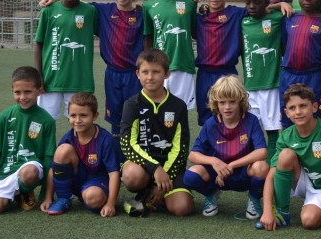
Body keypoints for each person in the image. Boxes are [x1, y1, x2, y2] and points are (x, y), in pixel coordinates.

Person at [40, 0, 144, 140]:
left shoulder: (142, 13)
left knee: (136, 115)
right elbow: (74, 2)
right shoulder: (103, 10)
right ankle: (116, 151)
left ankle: (136, 150)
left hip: (134, 74)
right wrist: (56, 0)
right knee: (115, 116)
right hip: (112, 74)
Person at [256, 84, 321, 231]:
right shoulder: (285, 136)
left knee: (309, 221)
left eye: (303, 106)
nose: (298, 112)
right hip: (298, 180)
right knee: (286, 155)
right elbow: (271, 176)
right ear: (287, 113)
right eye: (292, 108)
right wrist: (267, 211)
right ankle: (282, 212)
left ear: (314, 107)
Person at [120, 49, 192, 217]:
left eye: (156, 72)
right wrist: (155, 169)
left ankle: (149, 197)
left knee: (182, 208)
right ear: (137, 74)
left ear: (167, 74)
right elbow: (127, 144)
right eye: (145, 72)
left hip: (171, 167)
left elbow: (181, 148)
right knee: (132, 176)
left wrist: (165, 175)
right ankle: (145, 193)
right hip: (142, 167)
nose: (150, 77)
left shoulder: (178, 106)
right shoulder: (132, 104)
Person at [184, 76, 268, 220]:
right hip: (217, 176)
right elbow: (193, 155)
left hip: (242, 174)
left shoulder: (251, 120)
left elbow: (262, 152)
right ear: (216, 103)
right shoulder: (211, 124)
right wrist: (214, 162)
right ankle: (211, 194)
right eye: (222, 102)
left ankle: (254, 198)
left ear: (240, 100)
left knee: (261, 167)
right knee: (191, 176)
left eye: (232, 102)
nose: (227, 107)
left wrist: (231, 165)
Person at [0, 66, 56, 214]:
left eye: (28, 92)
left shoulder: (47, 120)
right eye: (18, 92)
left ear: (39, 91)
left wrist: (45, 194)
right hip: (7, 170)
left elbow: (49, 156)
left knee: (29, 172)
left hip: (31, 166)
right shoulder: (4, 116)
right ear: (12, 90)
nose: (22, 97)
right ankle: (16, 195)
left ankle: (25, 190)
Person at [40, 92, 122, 216]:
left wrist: (111, 203)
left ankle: (91, 197)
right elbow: (54, 169)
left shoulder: (106, 139)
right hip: (76, 179)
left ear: (95, 116)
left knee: (93, 199)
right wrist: (48, 198)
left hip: (97, 180)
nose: (77, 120)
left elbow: (114, 173)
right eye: (73, 115)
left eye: (83, 115)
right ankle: (64, 199)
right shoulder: (68, 137)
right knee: (62, 150)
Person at [35, 0, 98, 120]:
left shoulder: (90, 11)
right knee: (44, 122)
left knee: (79, 123)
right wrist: (38, 75)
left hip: (79, 81)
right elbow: (39, 44)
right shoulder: (48, 11)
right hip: (51, 80)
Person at [280, 0, 321, 128]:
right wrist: (280, 3)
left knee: (313, 122)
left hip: (313, 78)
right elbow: (284, 47)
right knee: (288, 121)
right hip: (288, 76)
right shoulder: (289, 18)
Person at [143, 0, 197, 110]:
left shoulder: (189, 3)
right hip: (159, 67)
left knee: (181, 111)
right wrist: (148, 64)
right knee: (158, 110)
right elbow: (148, 38)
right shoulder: (149, 6)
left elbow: (195, 32)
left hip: (183, 66)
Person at [194, 0, 247, 126]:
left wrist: (280, 4)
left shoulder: (235, 14)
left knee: (230, 117)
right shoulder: (199, 17)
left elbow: (260, 8)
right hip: (204, 74)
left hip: (227, 73)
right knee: (206, 118)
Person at [241, 0, 285, 159]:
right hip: (250, 87)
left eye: (257, 2)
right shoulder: (242, 21)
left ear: (267, 2)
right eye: (248, 2)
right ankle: (256, 167)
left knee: (272, 130)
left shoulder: (277, 18)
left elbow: (299, 11)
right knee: (252, 131)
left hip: (271, 86)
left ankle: (272, 167)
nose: (252, 6)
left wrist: (280, 4)